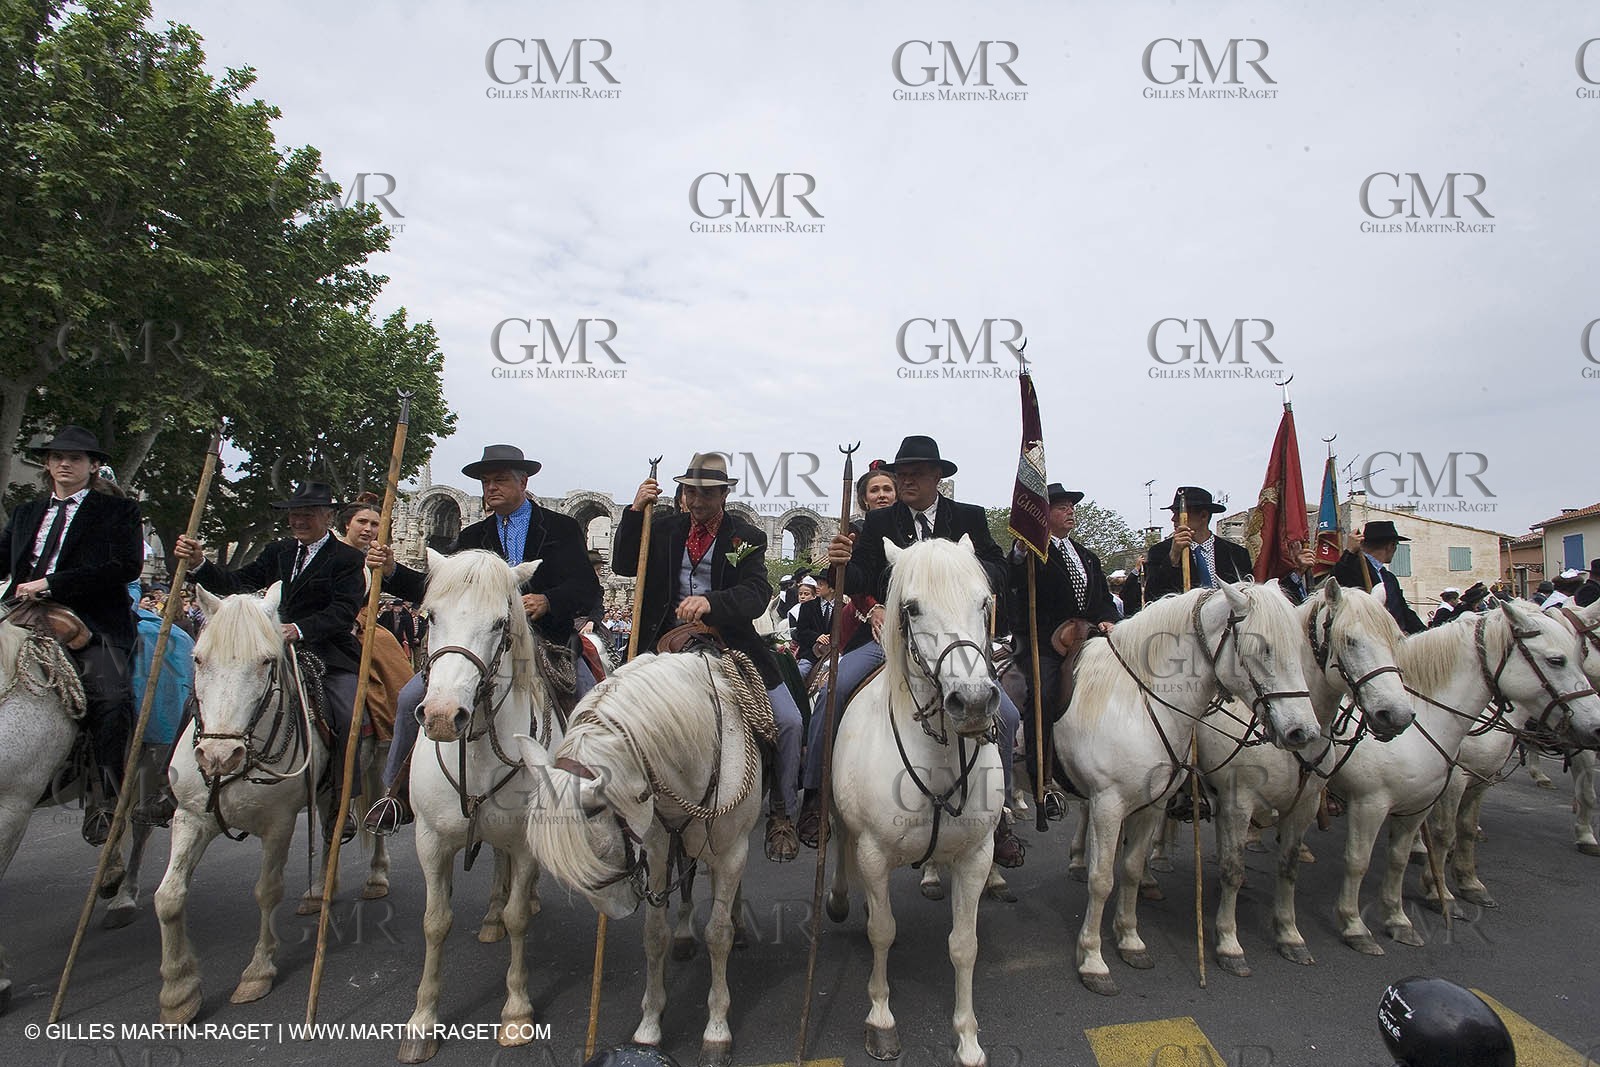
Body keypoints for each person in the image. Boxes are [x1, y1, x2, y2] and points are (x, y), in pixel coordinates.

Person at [803, 434, 1027, 867]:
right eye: (901, 473)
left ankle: (996, 818)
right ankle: (815, 797)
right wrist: (841, 563)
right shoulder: (879, 524)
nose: (906, 481)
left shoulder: (969, 517)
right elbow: (864, 577)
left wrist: (959, 570)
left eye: (916, 474)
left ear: (937, 477)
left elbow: (999, 570)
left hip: (953, 642)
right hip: (891, 642)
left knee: (1009, 715)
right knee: (834, 691)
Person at [364, 445, 602, 834]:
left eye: (500, 480)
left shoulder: (560, 529)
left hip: (544, 641)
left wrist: (548, 600)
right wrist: (392, 570)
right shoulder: (474, 535)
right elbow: (436, 587)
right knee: (410, 698)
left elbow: (586, 588)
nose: (490, 488)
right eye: (485, 482)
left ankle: (582, 786)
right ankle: (395, 792)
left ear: (523, 482)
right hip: (481, 644)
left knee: (587, 695)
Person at [612, 452, 805, 863]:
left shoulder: (747, 537)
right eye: (689, 492)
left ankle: (782, 811)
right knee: (616, 712)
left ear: (722, 494)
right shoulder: (660, 527)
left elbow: (756, 593)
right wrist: (634, 512)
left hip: (729, 640)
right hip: (661, 638)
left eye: (705, 494)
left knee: (789, 721)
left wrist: (712, 603)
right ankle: (619, 805)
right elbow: (624, 564)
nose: (695, 501)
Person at [173, 480, 366, 842]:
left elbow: (343, 610)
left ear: (328, 516)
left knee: (348, 710)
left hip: (323, 652)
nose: (298, 520)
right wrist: (201, 565)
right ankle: (167, 787)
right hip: (265, 649)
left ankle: (340, 797)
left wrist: (300, 628)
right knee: (201, 698)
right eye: (293, 514)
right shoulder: (277, 552)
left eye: (306, 514)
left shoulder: (348, 559)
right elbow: (237, 582)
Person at [0, 426, 143, 844]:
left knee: (113, 696)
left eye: (76, 458)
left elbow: (125, 567)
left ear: (93, 465)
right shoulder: (27, 512)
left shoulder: (118, 512)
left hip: (88, 619)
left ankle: (106, 795)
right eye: (58, 456)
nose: (65, 463)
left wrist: (53, 584)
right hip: (20, 610)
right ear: (47, 463)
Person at [1008, 484, 1119, 809]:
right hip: (1043, 641)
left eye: (1072, 506)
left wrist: (1109, 619)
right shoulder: (1030, 554)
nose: (1070, 511)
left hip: (1089, 639)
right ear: (1045, 514)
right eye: (1061, 507)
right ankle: (1042, 775)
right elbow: (1013, 578)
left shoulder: (1087, 556)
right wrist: (1019, 553)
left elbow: (1104, 600)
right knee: (1041, 693)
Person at [1143, 487, 1253, 600]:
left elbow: (1247, 595)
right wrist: (1173, 557)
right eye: (1173, 513)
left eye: (1180, 513)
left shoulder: (1237, 554)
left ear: (1203, 516)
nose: (1173, 519)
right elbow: (1151, 597)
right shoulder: (1160, 552)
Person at [1330, 521, 1427, 634]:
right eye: (1396, 545)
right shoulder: (1355, 566)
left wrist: (1427, 634)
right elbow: (1337, 578)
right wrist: (1350, 551)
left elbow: (1404, 612)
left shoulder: (1389, 577)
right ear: (1391, 546)